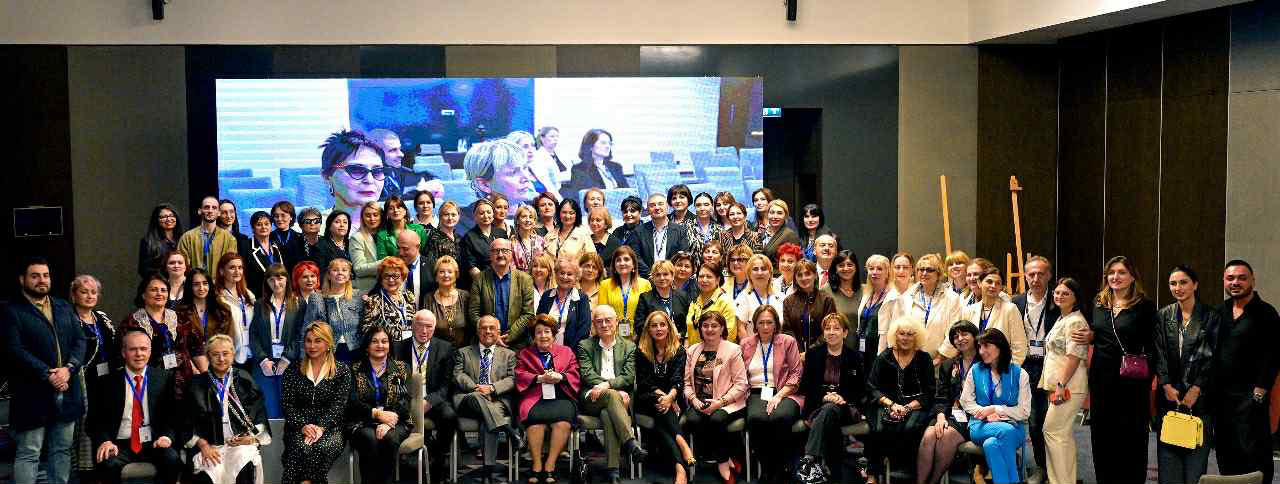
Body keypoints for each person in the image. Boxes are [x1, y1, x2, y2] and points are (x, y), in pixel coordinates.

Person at [2, 257, 86, 484]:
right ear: (22, 280)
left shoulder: (63, 305)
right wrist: (48, 374)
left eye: (45, 275)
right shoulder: (11, 311)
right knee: (30, 452)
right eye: (35, 276)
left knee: (62, 450)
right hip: (32, 393)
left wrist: (68, 369)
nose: (42, 280)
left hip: (66, 388)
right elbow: (14, 350)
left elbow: (80, 341)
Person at [1076, 255, 1157, 483]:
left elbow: (1153, 345)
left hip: (1132, 384)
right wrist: (1091, 336)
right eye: (1111, 273)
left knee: (1131, 440)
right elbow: (1100, 333)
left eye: (1122, 272)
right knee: (1102, 438)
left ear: (1132, 277)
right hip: (1102, 381)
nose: (1115, 277)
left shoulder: (1144, 306)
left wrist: (1146, 376)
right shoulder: (1099, 303)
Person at [87, 328, 182, 484]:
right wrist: (105, 441)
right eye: (133, 349)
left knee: (172, 459)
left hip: (154, 442)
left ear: (150, 352)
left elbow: (173, 416)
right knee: (107, 463)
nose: (139, 354)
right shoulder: (107, 382)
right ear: (124, 353)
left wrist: (166, 437)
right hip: (118, 444)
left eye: (143, 349)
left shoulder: (164, 378)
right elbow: (94, 420)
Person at [1213, 259, 1278, 483]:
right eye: (1230, 278)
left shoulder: (1266, 313)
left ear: (1252, 281)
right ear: (1224, 281)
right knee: (1226, 454)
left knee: (1255, 456)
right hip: (1222, 400)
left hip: (1251, 398)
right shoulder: (1219, 312)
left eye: (1242, 278)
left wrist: (1260, 391)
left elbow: (1273, 356)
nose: (1235, 282)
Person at [182, 334, 271, 484]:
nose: (221, 359)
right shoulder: (196, 384)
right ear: (208, 356)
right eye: (215, 354)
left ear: (233, 355)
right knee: (208, 472)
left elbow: (259, 414)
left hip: (239, 445)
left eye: (225, 353)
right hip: (209, 446)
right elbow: (186, 421)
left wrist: (251, 437)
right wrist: (203, 445)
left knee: (245, 463)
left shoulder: (245, 379)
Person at [578, 305, 648, 482]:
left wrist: (608, 385)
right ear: (594, 324)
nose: (604, 324)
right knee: (611, 396)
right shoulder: (585, 345)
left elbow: (628, 376)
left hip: (617, 400)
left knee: (607, 414)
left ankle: (613, 472)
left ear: (616, 321)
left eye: (608, 320)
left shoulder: (629, 347)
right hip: (592, 397)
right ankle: (630, 442)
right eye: (599, 321)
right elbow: (587, 374)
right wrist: (610, 389)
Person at [795, 313, 865, 483]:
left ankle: (810, 458)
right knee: (829, 414)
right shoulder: (813, 354)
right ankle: (833, 473)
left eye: (836, 328)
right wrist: (825, 396)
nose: (831, 332)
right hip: (818, 405)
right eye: (827, 328)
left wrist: (841, 398)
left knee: (830, 410)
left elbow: (860, 389)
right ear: (823, 333)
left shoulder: (855, 357)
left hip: (846, 407)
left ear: (845, 333)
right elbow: (806, 386)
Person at [865, 317, 937, 484]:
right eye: (901, 334)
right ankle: (872, 475)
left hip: (916, 406)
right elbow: (871, 387)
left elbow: (929, 392)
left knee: (911, 428)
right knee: (878, 428)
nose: (905, 338)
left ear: (916, 337)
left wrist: (907, 408)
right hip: (886, 404)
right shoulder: (884, 357)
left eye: (910, 334)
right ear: (895, 335)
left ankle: (905, 473)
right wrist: (891, 404)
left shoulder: (924, 359)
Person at [281, 322, 352, 484]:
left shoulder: (342, 371)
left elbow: (339, 406)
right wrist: (303, 426)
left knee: (320, 449)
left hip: (331, 428)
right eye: (308, 341)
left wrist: (321, 427)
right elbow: (287, 405)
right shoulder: (293, 370)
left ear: (328, 343)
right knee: (301, 447)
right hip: (298, 427)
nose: (312, 346)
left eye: (318, 341)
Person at [453, 315, 523, 482]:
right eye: (484, 328)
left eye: (492, 328)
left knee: (488, 420)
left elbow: (513, 379)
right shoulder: (463, 352)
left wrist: (492, 388)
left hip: (496, 400)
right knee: (477, 397)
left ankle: (487, 471)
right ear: (478, 331)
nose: (488, 331)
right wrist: (476, 388)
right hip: (469, 399)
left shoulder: (509, 354)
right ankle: (510, 431)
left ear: (498, 332)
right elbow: (458, 375)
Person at [682, 311, 748, 484]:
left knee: (716, 419)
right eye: (705, 325)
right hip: (700, 402)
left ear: (722, 328)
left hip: (728, 402)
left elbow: (741, 384)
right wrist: (693, 400)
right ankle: (727, 457)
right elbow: (686, 383)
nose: (709, 329)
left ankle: (722, 463)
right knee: (692, 420)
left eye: (714, 326)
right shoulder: (692, 351)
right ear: (700, 328)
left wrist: (720, 402)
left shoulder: (732, 350)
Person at [515, 316, 582, 484]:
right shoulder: (525, 354)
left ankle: (550, 465)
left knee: (563, 424)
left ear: (553, 334)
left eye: (547, 332)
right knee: (535, 424)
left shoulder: (567, 352)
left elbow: (575, 373)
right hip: (535, 397)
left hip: (562, 396)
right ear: (533, 336)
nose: (543, 336)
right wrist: (538, 378)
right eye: (539, 332)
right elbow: (520, 375)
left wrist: (561, 376)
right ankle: (537, 465)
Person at [740, 305, 804, 482]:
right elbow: (740, 375)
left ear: (776, 324)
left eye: (769, 322)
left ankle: (781, 468)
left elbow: (796, 373)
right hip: (756, 392)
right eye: (761, 323)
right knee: (756, 419)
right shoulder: (745, 344)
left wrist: (779, 395)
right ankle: (767, 468)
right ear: (755, 325)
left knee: (780, 417)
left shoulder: (787, 341)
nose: (765, 327)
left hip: (785, 391)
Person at [393, 309, 458, 479]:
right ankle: (404, 464)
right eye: (420, 325)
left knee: (449, 416)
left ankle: (438, 457)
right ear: (413, 326)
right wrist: (409, 402)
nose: (424, 331)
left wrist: (429, 401)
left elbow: (446, 385)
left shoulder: (445, 348)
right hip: (405, 400)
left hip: (433, 400)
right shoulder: (398, 348)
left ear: (434, 328)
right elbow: (395, 382)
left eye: (429, 327)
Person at [961, 328, 1031, 484]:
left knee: (991, 444)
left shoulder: (1020, 374)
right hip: (980, 425)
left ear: (1000, 346)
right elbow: (966, 401)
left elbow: (1024, 412)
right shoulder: (975, 370)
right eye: (979, 347)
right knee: (1005, 431)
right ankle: (1015, 480)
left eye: (986, 346)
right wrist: (984, 413)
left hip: (1013, 426)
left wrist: (995, 410)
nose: (981, 351)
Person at [1010, 255, 1059, 478]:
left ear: (1049, 275)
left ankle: (1055, 467)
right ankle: (1040, 466)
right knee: (1033, 419)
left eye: (1041, 274)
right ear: (1025, 276)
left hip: (1051, 364)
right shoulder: (1016, 303)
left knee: (1051, 421)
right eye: (1031, 274)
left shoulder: (1058, 300)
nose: (1036, 278)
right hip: (1025, 364)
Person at [347, 326, 412, 484]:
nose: (380, 345)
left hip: (395, 422)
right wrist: (377, 414)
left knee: (389, 439)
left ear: (390, 345)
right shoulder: (354, 369)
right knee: (370, 439)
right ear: (367, 346)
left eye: (384, 341)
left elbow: (404, 401)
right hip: (362, 421)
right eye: (374, 341)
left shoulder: (401, 369)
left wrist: (389, 422)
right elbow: (352, 402)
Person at [635, 310, 694, 484]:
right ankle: (682, 443)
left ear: (669, 327)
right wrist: (667, 398)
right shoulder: (641, 351)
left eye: (662, 325)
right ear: (648, 329)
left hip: (672, 398)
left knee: (661, 418)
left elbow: (678, 379)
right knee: (661, 406)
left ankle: (680, 468)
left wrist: (671, 397)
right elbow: (644, 383)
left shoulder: (679, 350)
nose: (659, 329)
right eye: (654, 325)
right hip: (648, 398)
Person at [1040, 278, 1090, 484]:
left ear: (1075, 298)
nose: (1059, 296)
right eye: (1057, 292)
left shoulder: (1075, 321)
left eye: (1066, 293)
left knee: (1052, 432)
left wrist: (1061, 386)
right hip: (1060, 385)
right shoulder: (1063, 318)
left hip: (1069, 386)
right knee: (1061, 435)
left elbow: (1074, 357)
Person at [917, 321, 979, 484]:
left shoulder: (985, 363)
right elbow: (941, 396)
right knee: (929, 435)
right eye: (956, 336)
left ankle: (933, 481)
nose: (960, 339)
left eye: (964, 334)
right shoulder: (948, 365)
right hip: (949, 413)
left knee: (946, 436)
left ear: (975, 336)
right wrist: (940, 417)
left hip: (974, 416)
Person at [125, 273, 204, 398]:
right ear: (143, 294)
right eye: (153, 290)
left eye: (163, 290)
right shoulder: (132, 322)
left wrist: (205, 377)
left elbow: (197, 350)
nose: (159, 294)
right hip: (150, 384)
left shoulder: (181, 319)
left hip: (184, 383)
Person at [71, 274, 119, 473]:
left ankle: (103, 462)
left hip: (105, 378)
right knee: (85, 422)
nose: (90, 296)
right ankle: (84, 469)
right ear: (74, 295)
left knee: (104, 418)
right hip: (82, 380)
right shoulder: (70, 319)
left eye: (94, 292)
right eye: (84, 292)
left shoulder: (102, 317)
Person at [248, 263, 299, 419]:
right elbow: (253, 335)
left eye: (280, 278)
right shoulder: (259, 304)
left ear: (287, 279)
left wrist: (287, 358)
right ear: (267, 283)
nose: (276, 283)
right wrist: (263, 360)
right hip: (265, 364)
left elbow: (300, 335)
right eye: (271, 280)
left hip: (289, 364)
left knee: (289, 410)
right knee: (269, 411)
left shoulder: (298, 303)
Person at [890, 254, 965, 360]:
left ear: (938, 273)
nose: (924, 273)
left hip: (939, 361)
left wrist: (939, 358)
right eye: (921, 269)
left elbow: (953, 332)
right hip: (908, 360)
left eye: (929, 270)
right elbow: (895, 329)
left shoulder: (952, 298)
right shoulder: (906, 297)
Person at [468, 237, 537, 349]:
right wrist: (493, 336)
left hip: (518, 344)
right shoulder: (479, 279)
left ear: (511, 254)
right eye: (496, 251)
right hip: (486, 343)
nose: (500, 254)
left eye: (504, 251)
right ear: (490, 255)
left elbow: (528, 314)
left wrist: (509, 336)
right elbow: (473, 313)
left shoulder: (525, 279)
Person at [949, 268, 1028, 365]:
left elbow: (1020, 347)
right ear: (979, 283)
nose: (993, 286)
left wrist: (1009, 370)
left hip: (1000, 367)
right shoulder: (968, 311)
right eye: (989, 282)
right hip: (973, 367)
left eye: (998, 283)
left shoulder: (1010, 309)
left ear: (1001, 288)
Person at [320, 130, 386, 233]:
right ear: (327, 176)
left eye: (377, 171)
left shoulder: (396, 223)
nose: (369, 180)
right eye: (356, 170)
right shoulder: (312, 230)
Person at [304, 258, 363, 363]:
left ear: (349, 275)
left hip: (356, 350)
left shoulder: (357, 296)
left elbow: (364, 325)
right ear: (329, 275)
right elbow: (307, 328)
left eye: (344, 270)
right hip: (329, 352)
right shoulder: (317, 298)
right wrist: (303, 358)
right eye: (335, 270)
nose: (340, 273)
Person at [464, 139, 539, 211]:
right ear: (484, 185)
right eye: (513, 172)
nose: (526, 177)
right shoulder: (462, 219)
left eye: (525, 168)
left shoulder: (538, 210)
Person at [173, 268, 234, 355]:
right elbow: (178, 345)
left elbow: (229, 341)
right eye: (196, 284)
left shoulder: (223, 310)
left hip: (218, 358)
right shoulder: (180, 311)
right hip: (190, 360)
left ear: (210, 285)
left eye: (205, 283)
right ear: (190, 287)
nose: (201, 288)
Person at [629, 193, 691, 278]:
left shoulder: (680, 230)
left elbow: (682, 256)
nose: (657, 208)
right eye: (652, 205)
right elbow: (636, 256)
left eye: (660, 204)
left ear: (667, 206)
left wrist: (668, 274)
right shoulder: (638, 232)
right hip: (647, 279)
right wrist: (651, 274)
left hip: (673, 278)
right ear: (648, 210)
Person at [536, 257, 592, 351]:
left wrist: (567, 353)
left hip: (572, 352)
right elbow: (538, 323)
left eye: (569, 274)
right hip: (546, 350)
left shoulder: (582, 299)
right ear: (556, 275)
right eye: (562, 273)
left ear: (576, 277)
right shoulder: (547, 296)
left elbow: (584, 330)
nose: (565, 277)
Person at [599, 246, 652, 340]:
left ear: (633, 264)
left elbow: (649, 314)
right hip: (612, 337)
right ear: (614, 265)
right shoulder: (605, 285)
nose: (622, 263)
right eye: (618, 260)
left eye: (626, 259)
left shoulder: (645, 284)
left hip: (639, 337)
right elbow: (602, 314)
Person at [783, 260, 838, 350]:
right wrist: (798, 351)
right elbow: (787, 330)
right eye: (799, 275)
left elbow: (829, 329)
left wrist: (810, 352)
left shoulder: (827, 300)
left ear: (815, 275)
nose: (804, 278)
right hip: (795, 353)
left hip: (820, 352)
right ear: (795, 278)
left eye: (807, 274)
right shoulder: (788, 301)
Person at [559, 128, 628, 201]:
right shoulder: (580, 169)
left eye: (610, 143)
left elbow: (627, 191)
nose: (608, 146)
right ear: (590, 146)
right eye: (603, 143)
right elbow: (583, 197)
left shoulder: (616, 167)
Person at [361, 256, 418, 343]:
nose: (391, 280)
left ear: (402, 278)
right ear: (381, 278)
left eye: (395, 276)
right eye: (386, 276)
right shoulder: (373, 301)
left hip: (410, 345)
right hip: (387, 347)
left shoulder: (409, 296)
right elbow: (366, 330)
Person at [215, 253, 257, 367]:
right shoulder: (217, 297)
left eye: (240, 267)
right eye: (232, 267)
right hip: (230, 357)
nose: (237, 271)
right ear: (222, 271)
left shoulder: (249, 294)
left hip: (252, 355)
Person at [634, 260, 692, 341]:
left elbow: (688, 322)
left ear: (672, 276)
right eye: (658, 275)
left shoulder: (683, 296)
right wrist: (662, 336)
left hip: (678, 342)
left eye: (665, 274)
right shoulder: (645, 298)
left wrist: (681, 335)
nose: (662, 278)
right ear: (653, 278)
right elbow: (639, 326)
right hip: (653, 343)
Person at [179, 195, 240, 272]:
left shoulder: (229, 239)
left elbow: (231, 266)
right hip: (194, 279)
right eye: (206, 207)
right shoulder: (187, 238)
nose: (210, 211)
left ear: (219, 213)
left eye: (214, 208)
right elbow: (182, 266)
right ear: (199, 211)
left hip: (219, 280)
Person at [734, 254, 785, 342]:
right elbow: (741, 329)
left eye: (764, 269)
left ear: (770, 273)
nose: (760, 273)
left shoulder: (780, 297)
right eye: (755, 269)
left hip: (778, 346)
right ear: (749, 274)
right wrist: (749, 348)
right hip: (753, 348)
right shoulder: (743, 297)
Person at [424, 255, 471, 347]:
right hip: (438, 350)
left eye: (450, 272)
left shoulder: (465, 296)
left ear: (456, 275)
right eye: (441, 272)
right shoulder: (428, 298)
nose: (446, 275)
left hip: (463, 350)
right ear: (436, 276)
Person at [460, 199, 509, 287]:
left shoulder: (501, 233)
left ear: (493, 215)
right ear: (475, 216)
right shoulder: (468, 238)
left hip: (504, 281)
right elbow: (471, 267)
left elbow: (508, 258)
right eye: (481, 213)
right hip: (483, 283)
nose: (486, 216)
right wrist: (487, 285)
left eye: (488, 212)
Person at [687, 262, 738, 344]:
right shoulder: (695, 301)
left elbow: (729, 334)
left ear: (717, 280)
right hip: (694, 350)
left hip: (718, 350)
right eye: (701, 276)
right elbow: (689, 328)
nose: (704, 280)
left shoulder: (726, 302)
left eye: (709, 277)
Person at [855, 255, 892, 369]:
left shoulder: (893, 297)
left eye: (879, 269)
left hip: (880, 353)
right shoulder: (866, 293)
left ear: (887, 272)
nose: (875, 272)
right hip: (862, 350)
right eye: (871, 268)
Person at [243, 211, 285, 300]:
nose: (263, 227)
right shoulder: (245, 247)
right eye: (259, 224)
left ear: (271, 227)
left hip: (279, 295)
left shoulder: (277, 246)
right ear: (253, 228)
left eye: (266, 224)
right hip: (257, 296)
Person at [374, 196, 428, 261]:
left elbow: (425, 255)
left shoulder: (419, 229)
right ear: (387, 214)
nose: (395, 210)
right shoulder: (382, 235)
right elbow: (382, 260)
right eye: (391, 208)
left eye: (398, 207)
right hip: (394, 266)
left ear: (405, 211)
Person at [139, 203, 183, 278]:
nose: (168, 219)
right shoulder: (148, 241)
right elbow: (143, 269)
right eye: (163, 217)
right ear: (156, 220)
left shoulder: (183, 238)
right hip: (159, 282)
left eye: (171, 215)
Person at [350, 201, 384, 293]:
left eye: (375, 215)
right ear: (362, 218)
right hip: (368, 290)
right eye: (368, 215)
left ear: (381, 216)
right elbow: (358, 269)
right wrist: (384, 263)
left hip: (390, 287)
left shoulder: (387, 234)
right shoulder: (357, 237)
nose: (372, 218)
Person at [549, 197, 596, 263]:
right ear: (559, 213)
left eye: (571, 213)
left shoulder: (583, 234)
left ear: (577, 215)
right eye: (564, 212)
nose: (567, 216)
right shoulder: (551, 235)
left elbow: (592, 259)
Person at [826, 249, 863, 332]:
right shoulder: (825, 291)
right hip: (835, 339)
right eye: (841, 265)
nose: (846, 268)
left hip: (863, 340)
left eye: (850, 265)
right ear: (835, 269)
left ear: (856, 268)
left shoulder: (866, 290)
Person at [687, 192, 725, 268]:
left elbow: (723, 254)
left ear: (712, 206)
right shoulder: (685, 227)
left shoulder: (720, 229)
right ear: (694, 207)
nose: (702, 208)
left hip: (715, 272)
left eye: (706, 205)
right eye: (698, 205)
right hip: (692, 272)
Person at [603, 196, 644, 264]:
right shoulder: (617, 231)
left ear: (640, 212)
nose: (628, 214)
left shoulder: (646, 231)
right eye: (625, 212)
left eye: (632, 211)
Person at [368, 128, 406, 199]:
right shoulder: (367, 181)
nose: (401, 154)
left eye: (400, 149)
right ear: (376, 153)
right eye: (393, 150)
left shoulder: (405, 173)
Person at [395, 227, 431, 302]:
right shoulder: (391, 266)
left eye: (405, 249)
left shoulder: (431, 267)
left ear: (418, 247)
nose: (400, 253)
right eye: (398, 248)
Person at [531, 126, 567, 198]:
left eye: (557, 136)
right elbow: (546, 181)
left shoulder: (561, 154)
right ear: (542, 138)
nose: (555, 139)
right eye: (552, 136)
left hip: (565, 188)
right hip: (552, 192)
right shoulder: (538, 157)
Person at [286, 207, 326, 272]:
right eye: (308, 221)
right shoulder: (292, 245)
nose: (312, 224)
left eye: (316, 221)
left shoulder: (326, 242)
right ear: (300, 225)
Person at [512, 204, 548, 273]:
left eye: (531, 217)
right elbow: (511, 269)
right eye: (524, 217)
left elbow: (545, 264)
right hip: (519, 278)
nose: (528, 220)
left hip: (539, 277)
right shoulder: (511, 243)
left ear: (534, 221)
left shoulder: (541, 241)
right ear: (517, 220)